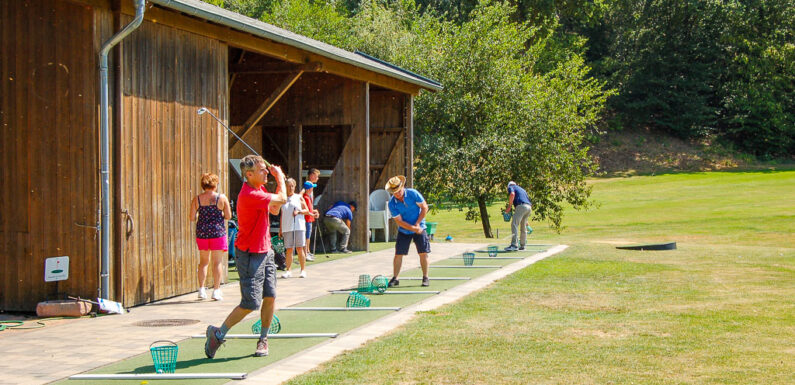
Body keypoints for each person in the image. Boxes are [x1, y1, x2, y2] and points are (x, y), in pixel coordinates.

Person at [205, 155, 287, 359]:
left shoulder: (260, 190)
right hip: (250, 254)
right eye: (262, 170)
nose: (266, 171)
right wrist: (281, 178)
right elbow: (283, 199)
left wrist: (276, 183)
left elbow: (275, 208)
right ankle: (218, 333)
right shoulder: (250, 194)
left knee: (270, 296)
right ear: (249, 174)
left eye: (266, 169)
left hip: (265, 250)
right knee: (250, 303)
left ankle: (263, 340)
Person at [190, 173, 232, 301]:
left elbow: (191, 217)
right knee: (217, 262)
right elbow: (228, 216)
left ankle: (201, 289)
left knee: (203, 262)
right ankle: (216, 290)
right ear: (215, 183)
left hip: (202, 233)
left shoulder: (197, 199)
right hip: (217, 232)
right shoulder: (221, 198)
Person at [385, 175, 431, 288]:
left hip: (420, 226)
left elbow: (424, 207)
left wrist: (417, 224)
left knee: (423, 252)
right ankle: (395, 278)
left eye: (398, 191)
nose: (397, 194)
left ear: (402, 187)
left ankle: (425, 277)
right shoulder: (392, 203)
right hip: (404, 230)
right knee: (398, 254)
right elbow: (399, 221)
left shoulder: (413, 193)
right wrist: (412, 228)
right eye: (394, 192)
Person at [279, 178, 311, 278]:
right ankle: (288, 270)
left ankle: (303, 270)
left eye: (292, 186)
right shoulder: (283, 199)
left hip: (299, 226)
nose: (290, 188)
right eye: (288, 186)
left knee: (299, 248)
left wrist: (299, 212)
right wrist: (280, 229)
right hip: (287, 227)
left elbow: (307, 210)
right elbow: (282, 214)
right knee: (289, 249)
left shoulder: (298, 197)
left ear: (295, 186)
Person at [505, 181, 532, 251]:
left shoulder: (511, 187)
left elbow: (512, 194)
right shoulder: (522, 189)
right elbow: (526, 201)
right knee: (523, 227)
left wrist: (509, 206)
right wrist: (526, 220)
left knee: (514, 224)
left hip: (521, 206)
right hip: (529, 207)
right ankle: (523, 246)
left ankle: (514, 245)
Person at [302, 181, 320, 261]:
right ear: (309, 189)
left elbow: (310, 209)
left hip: (309, 219)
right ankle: (305, 254)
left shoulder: (307, 197)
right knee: (307, 237)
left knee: (308, 237)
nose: (313, 189)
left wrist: (314, 211)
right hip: (307, 219)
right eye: (312, 187)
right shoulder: (305, 197)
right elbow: (307, 210)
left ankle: (307, 252)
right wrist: (313, 213)